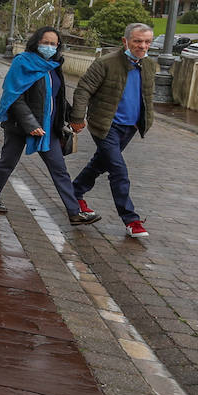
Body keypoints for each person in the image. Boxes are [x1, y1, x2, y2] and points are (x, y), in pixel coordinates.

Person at [0, 26, 100, 225]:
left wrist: (73, 117)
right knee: (7, 162)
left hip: (48, 128)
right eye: (45, 42)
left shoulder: (54, 66)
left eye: (53, 44)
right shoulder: (22, 62)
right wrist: (31, 124)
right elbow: (14, 96)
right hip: (20, 125)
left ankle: (74, 212)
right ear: (36, 42)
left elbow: (57, 98)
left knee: (59, 170)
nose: (49, 47)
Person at [68, 22, 158, 238]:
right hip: (106, 125)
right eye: (137, 41)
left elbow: (147, 95)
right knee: (118, 171)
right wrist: (78, 117)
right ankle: (131, 219)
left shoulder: (149, 66)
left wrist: (144, 120)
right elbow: (83, 90)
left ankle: (74, 192)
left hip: (130, 128)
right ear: (125, 41)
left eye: (147, 42)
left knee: (99, 164)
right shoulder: (106, 63)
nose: (142, 46)